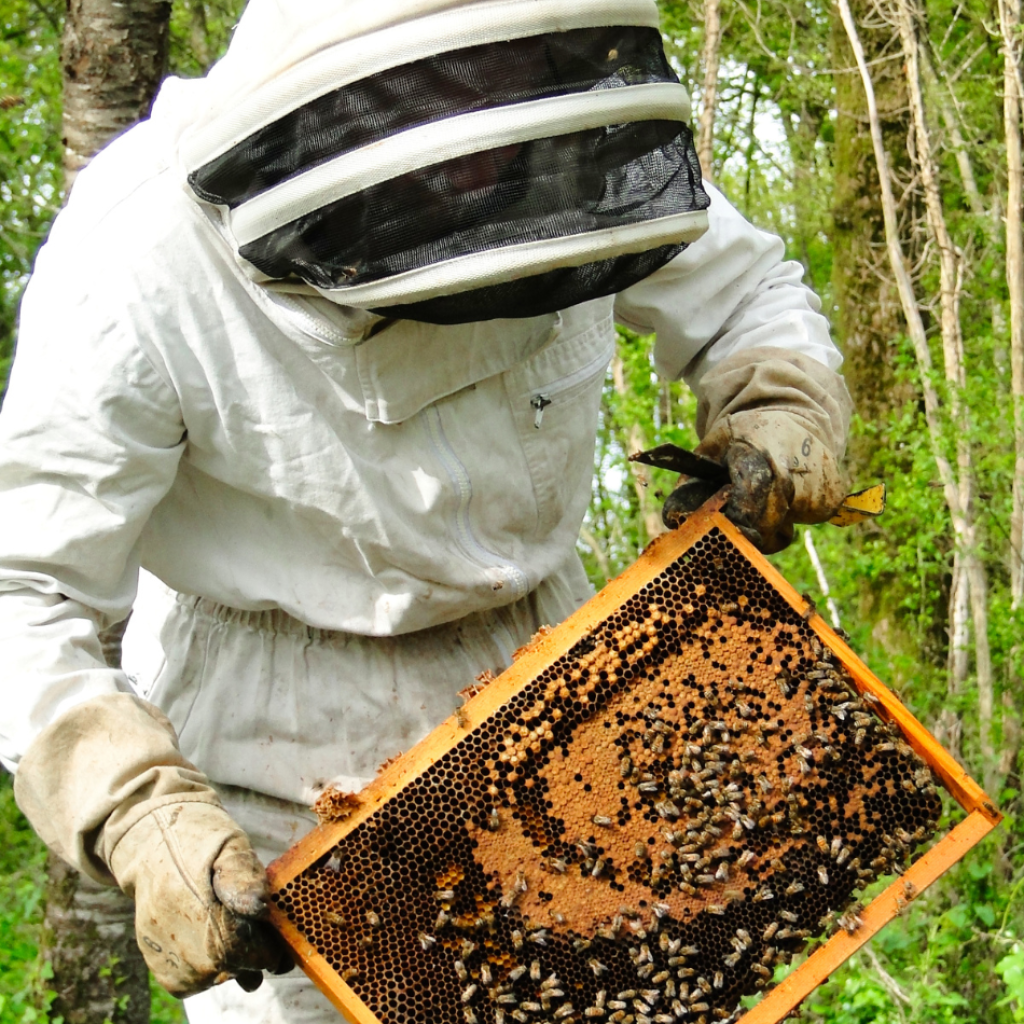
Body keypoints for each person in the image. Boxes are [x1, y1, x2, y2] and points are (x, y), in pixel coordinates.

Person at [0, 1, 852, 1022]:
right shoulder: (134, 256)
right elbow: (23, 587)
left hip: (559, 666)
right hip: (284, 747)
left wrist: (778, 395)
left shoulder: (559, 136)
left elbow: (742, 286)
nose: (477, 173)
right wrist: (132, 806)